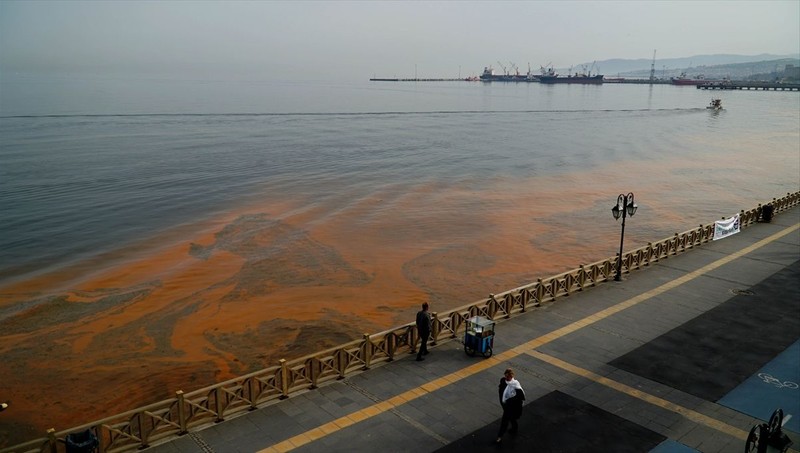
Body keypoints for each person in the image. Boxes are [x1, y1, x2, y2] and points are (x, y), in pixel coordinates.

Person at [496, 368, 525, 443]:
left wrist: (510, 400)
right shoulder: (503, 380)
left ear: (511, 377)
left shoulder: (515, 385)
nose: (506, 378)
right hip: (506, 405)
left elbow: (521, 397)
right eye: (505, 377)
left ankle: (499, 436)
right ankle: (514, 428)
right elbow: (501, 389)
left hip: (511, 407)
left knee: (504, 421)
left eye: (508, 377)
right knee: (512, 418)